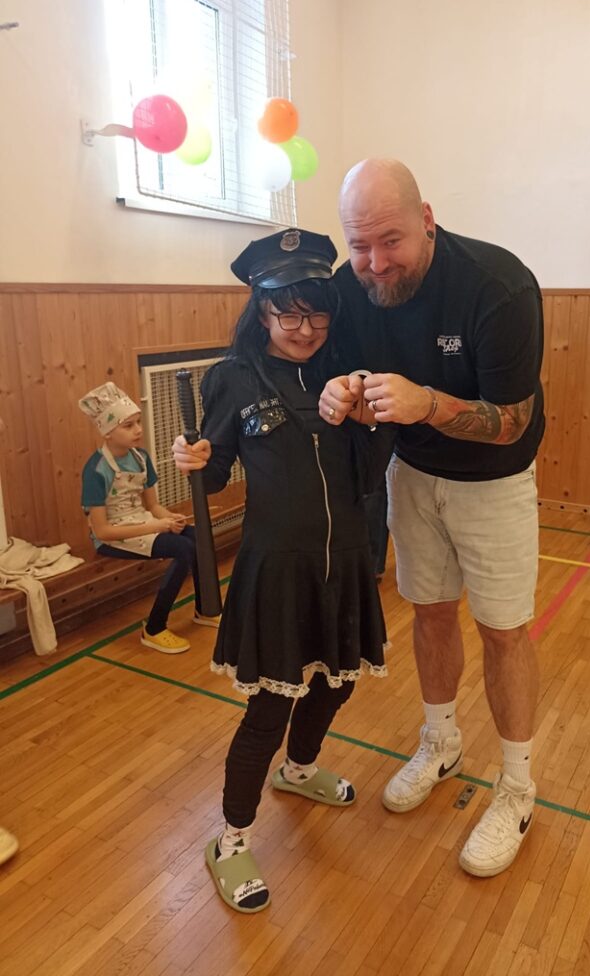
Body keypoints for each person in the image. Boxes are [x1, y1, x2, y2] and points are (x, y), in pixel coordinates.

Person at [319, 159, 545, 878]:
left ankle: (517, 787)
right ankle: (440, 741)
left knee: (503, 631)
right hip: (411, 475)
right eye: (359, 245)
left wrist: (428, 405)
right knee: (429, 612)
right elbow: (352, 384)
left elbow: (512, 422)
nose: (375, 263)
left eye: (390, 241)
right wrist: (347, 395)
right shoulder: (348, 288)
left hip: (495, 483)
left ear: (426, 220)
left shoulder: (497, 286)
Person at [171, 229, 391, 914]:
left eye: (316, 312)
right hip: (277, 570)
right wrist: (192, 462)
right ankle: (231, 839)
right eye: (287, 314)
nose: (304, 329)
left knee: (336, 684)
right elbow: (213, 478)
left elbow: (371, 470)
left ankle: (298, 770)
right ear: (260, 310)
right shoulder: (233, 378)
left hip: (345, 560)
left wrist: (370, 415)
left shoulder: (348, 371)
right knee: (269, 709)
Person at [79, 382, 220, 654]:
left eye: (138, 422)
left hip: (143, 522)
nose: (138, 430)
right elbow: (102, 531)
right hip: (114, 536)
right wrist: (158, 526)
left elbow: (153, 506)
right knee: (183, 549)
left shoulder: (141, 458)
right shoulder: (95, 470)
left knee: (197, 537)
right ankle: (154, 628)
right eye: (128, 425)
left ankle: (205, 608)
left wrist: (170, 518)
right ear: (107, 432)